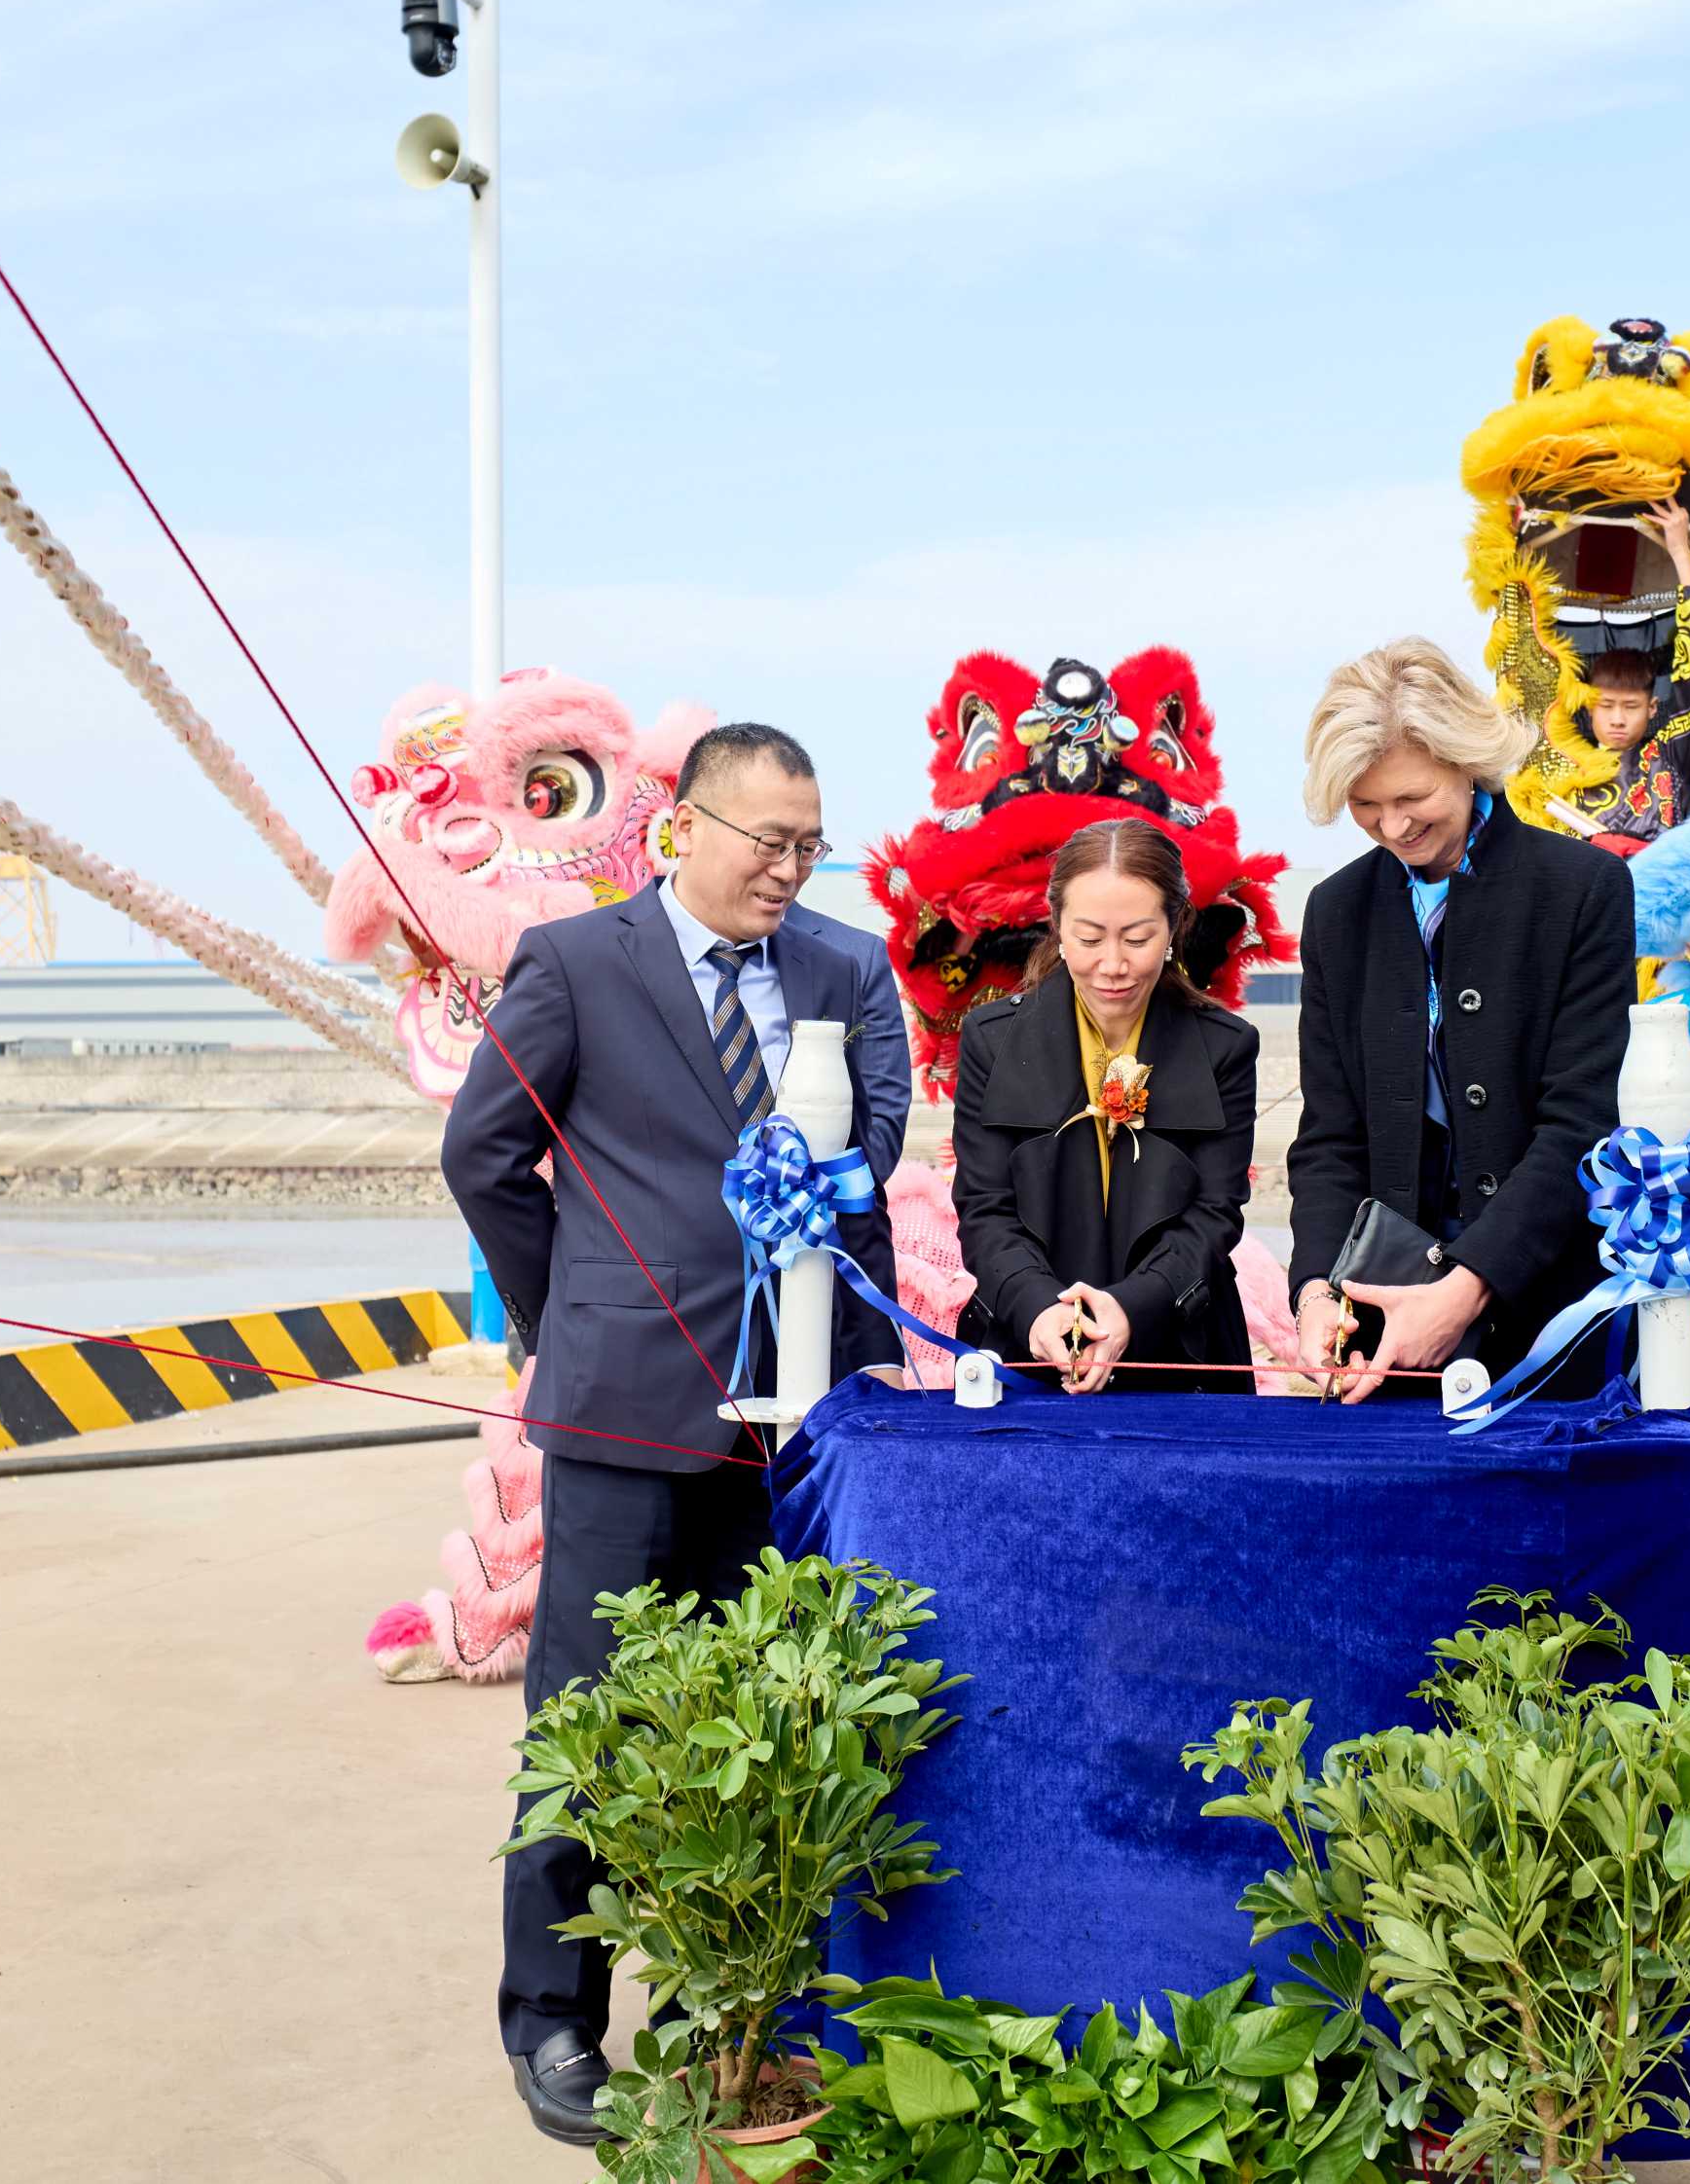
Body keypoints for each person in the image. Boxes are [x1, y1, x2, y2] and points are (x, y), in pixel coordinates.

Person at [441, 721, 916, 2143]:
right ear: (683, 827)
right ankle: (553, 2020)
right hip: (622, 1406)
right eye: (767, 840)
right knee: (589, 1721)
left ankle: (737, 2010)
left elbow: (872, 1155)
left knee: (774, 1714)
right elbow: (484, 1153)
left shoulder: (849, 967)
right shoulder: (577, 965)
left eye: (809, 845)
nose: (789, 868)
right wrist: (569, 1310)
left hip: (800, 1412)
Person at [1286, 637, 1636, 1403]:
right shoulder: (1337, 913)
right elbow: (1331, 1137)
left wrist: (1469, 1286)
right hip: (1380, 1325)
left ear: (1467, 760)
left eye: (1411, 798)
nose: (1392, 827)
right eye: (1366, 806)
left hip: (1553, 1316)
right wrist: (1315, 1291)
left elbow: (1582, 1123)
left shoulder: (1583, 888)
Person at [947, 819, 1263, 1392]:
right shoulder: (992, 1040)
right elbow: (984, 1207)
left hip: (1181, 1351)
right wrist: (1038, 1308)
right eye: (1090, 939)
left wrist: (1132, 1308)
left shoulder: (1225, 1047)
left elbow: (1214, 1213)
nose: (1113, 965)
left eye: (1137, 939)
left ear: (1175, 926)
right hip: (1026, 1344)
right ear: (1057, 927)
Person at [1553, 497, 1690, 855]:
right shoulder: (1563, 764)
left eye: (1630, 706)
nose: (1618, 719)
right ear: (1589, 708)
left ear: (1652, 708)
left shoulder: (1671, 756)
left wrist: (1680, 551)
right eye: (1606, 705)